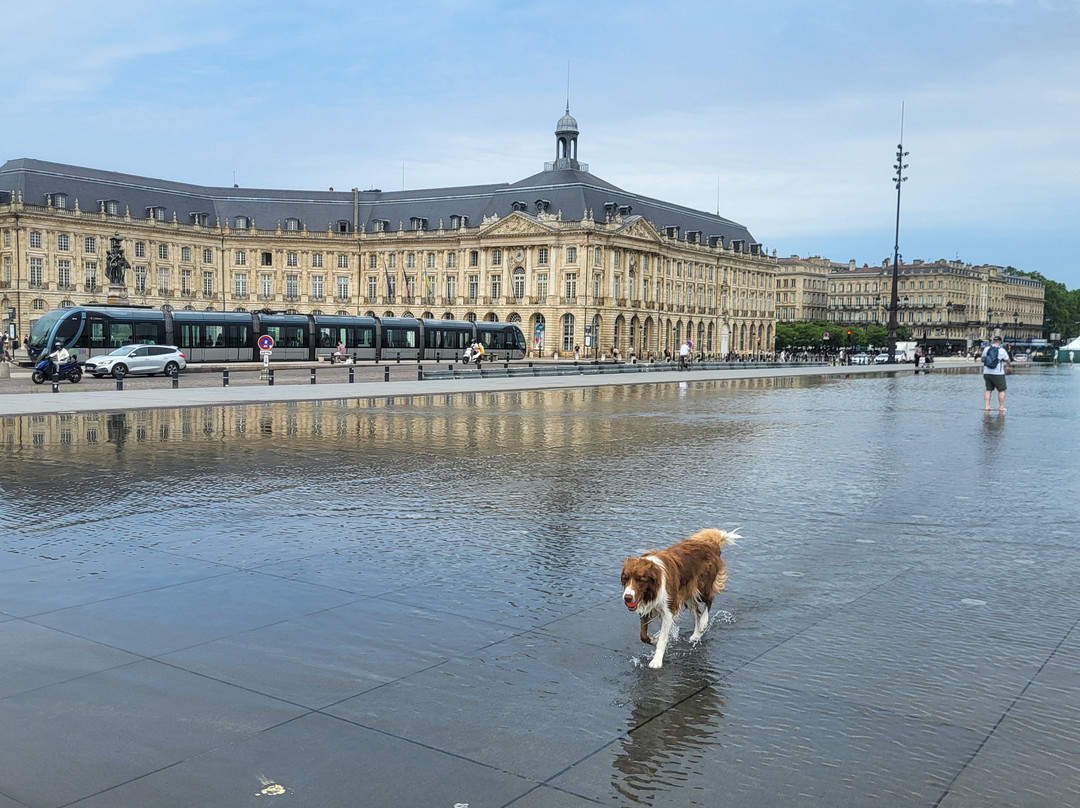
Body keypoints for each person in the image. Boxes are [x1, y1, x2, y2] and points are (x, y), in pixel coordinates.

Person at [982, 336, 1011, 413]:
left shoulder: (986, 349)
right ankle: (1001, 407)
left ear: (992, 341)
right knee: (1001, 390)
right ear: (1001, 342)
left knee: (988, 389)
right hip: (998, 373)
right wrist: (1008, 366)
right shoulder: (1002, 350)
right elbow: (1008, 360)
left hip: (987, 372)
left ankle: (987, 406)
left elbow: (983, 359)